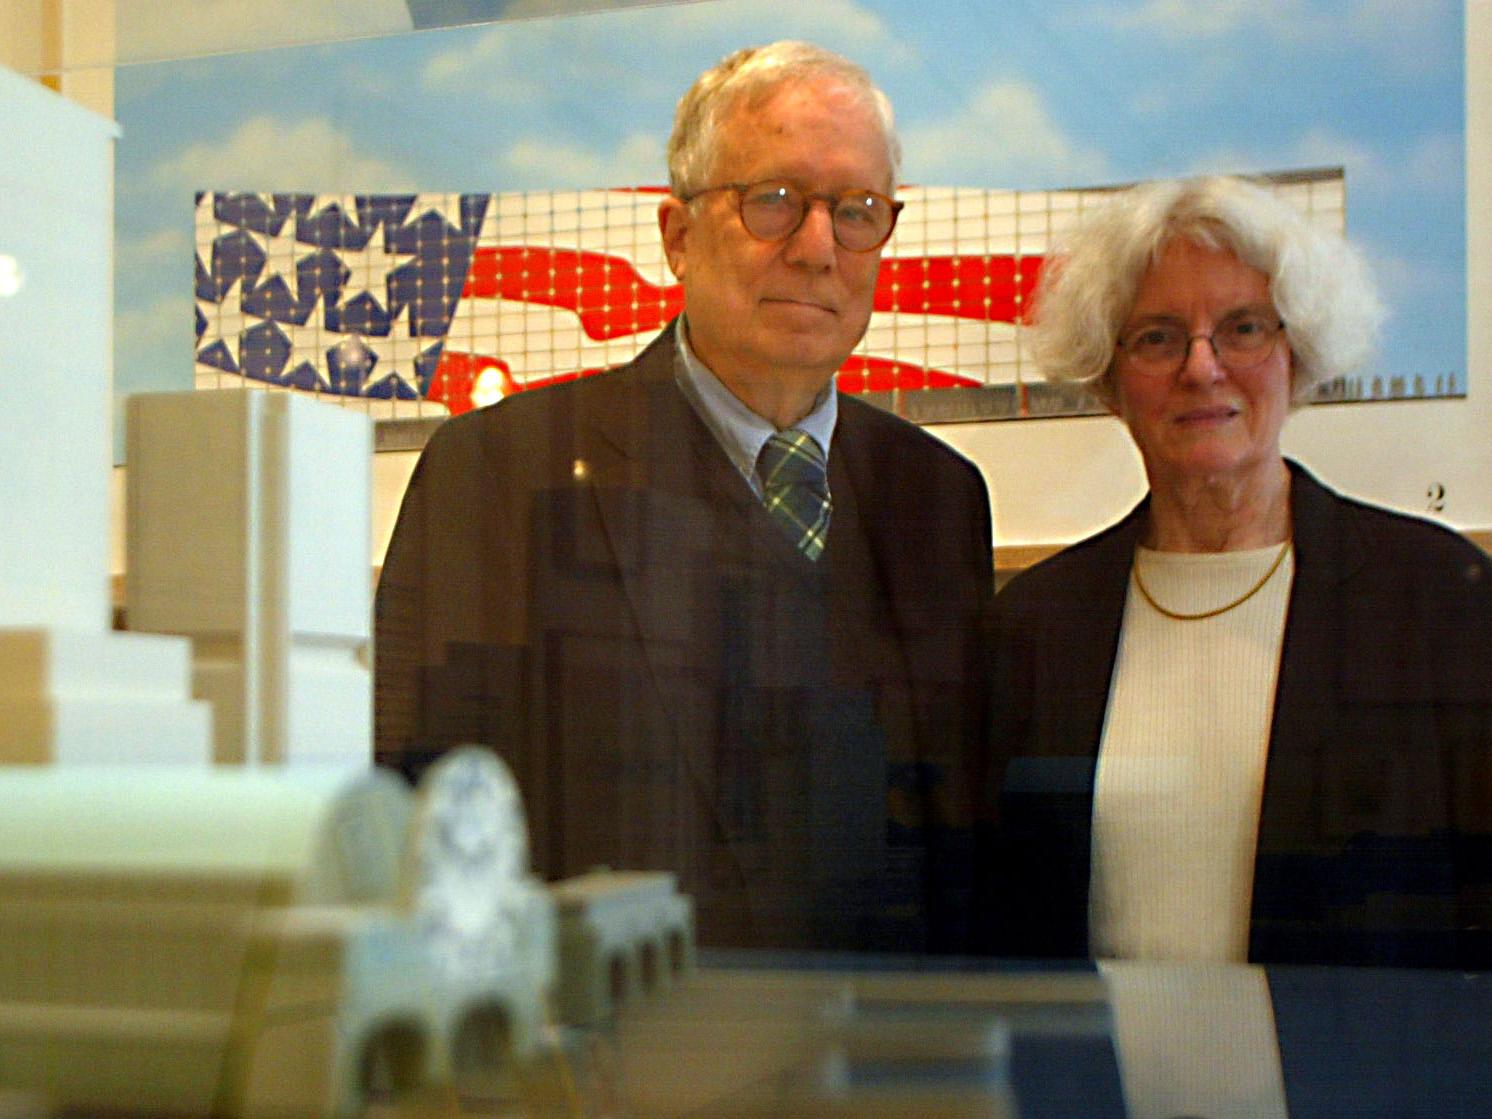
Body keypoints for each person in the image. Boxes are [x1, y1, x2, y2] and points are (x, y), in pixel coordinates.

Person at [376, 42, 994, 952]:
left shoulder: (937, 499)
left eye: (857, 210)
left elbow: (958, 848)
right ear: (676, 236)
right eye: (773, 201)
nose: (819, 248)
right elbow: (420, 822)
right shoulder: (498, 473)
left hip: (878, 1062)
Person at [981, 175, 1492, 969]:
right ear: (1111, 379)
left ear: (1298, 351)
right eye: (1156, 336)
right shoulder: (1034, 628)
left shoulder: (1436, 601)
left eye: (1242, 328)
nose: (1201, 366)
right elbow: (1004, 925)